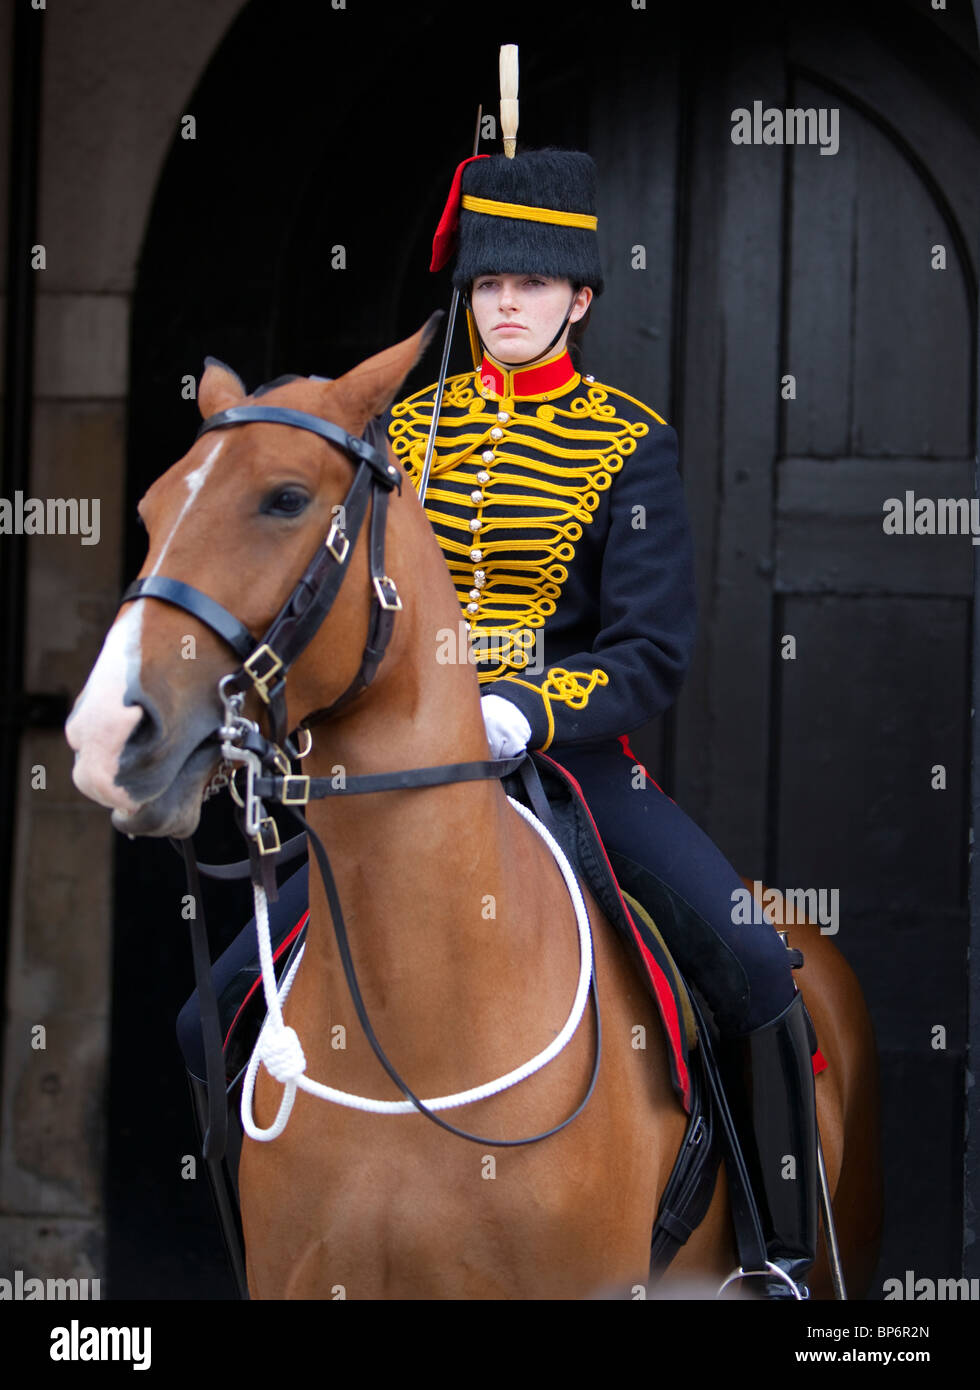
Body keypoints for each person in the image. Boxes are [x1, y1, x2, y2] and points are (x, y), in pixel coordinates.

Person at [178, 146, 818, 1299]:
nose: (505, 306)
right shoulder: (398, 440)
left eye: (529, 287)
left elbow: (648, 650)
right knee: (210, 1005)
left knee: (754, 965)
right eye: (486, 287)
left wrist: (524, 705)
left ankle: (772, 1254)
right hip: (393, 787)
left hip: (563, 767)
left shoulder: (627, 442)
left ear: (578, 299)